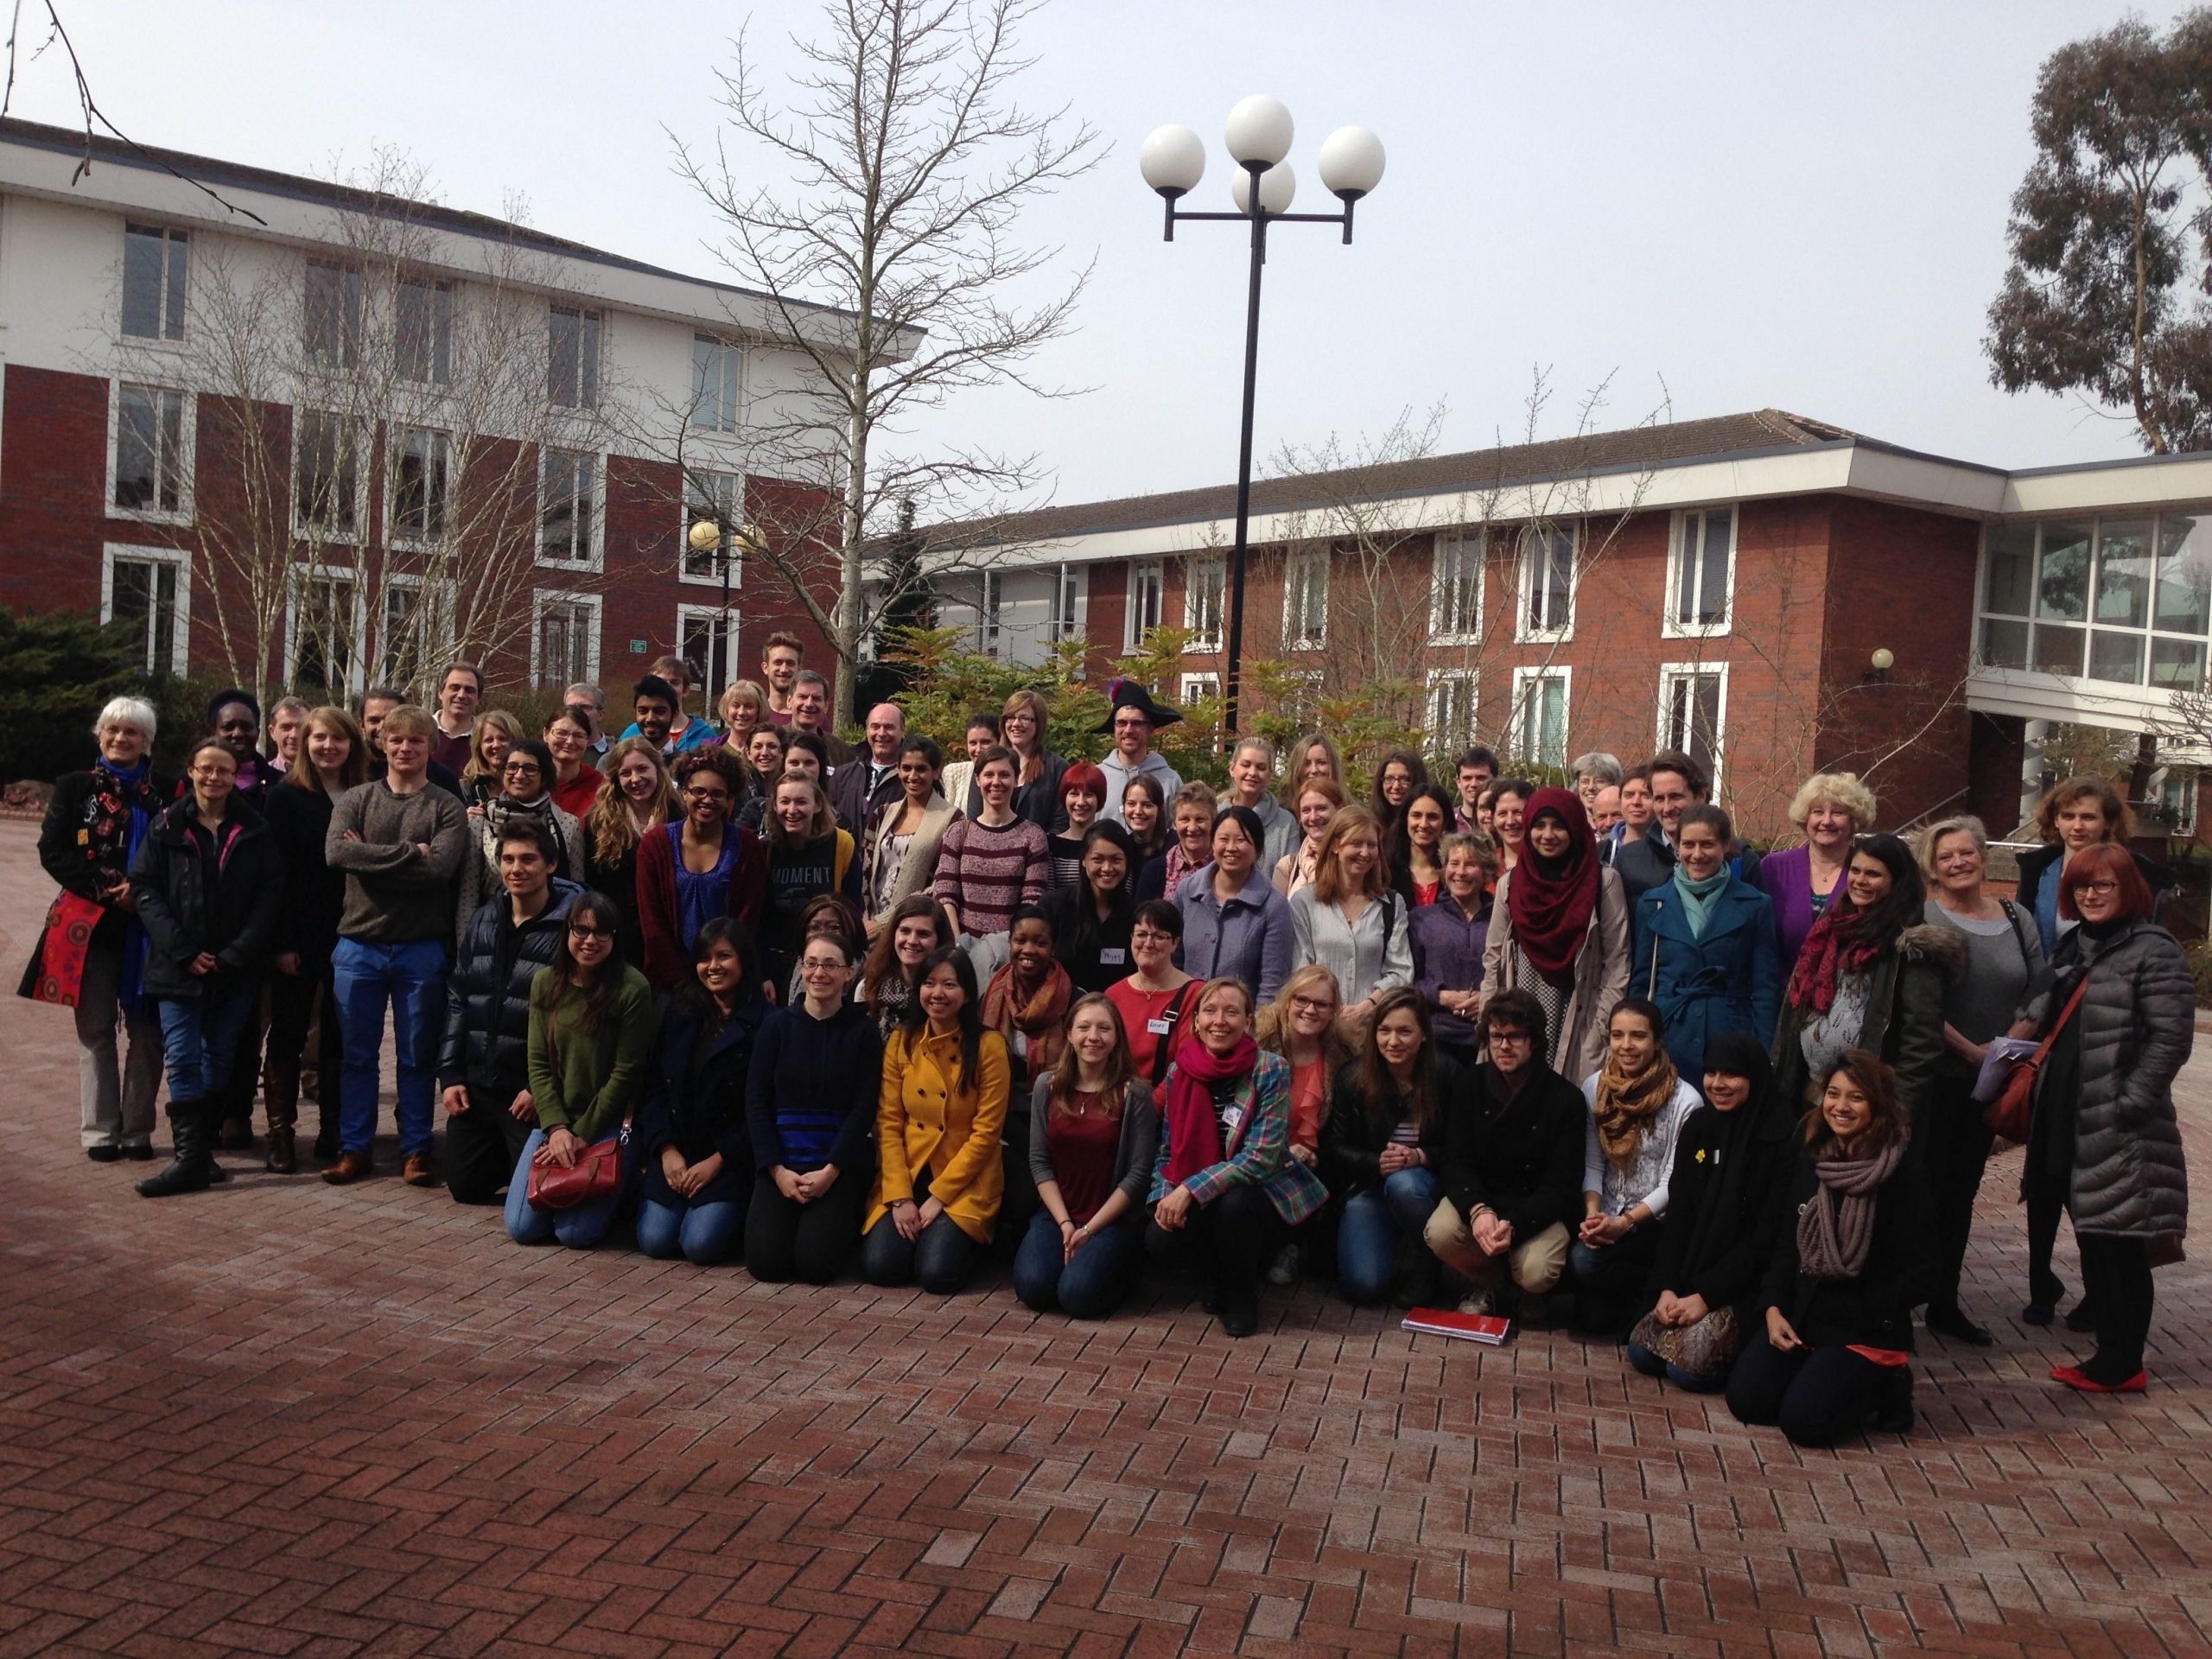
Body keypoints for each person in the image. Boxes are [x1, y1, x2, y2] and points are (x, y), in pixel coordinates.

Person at [2019, 845, 2191, 1393]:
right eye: (2081, 886)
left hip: (2120, 1122)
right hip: (2067, 1112)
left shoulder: (2153, 949)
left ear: (2129, 890)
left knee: (2120, 1246)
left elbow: (2170, 1040)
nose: (2090, 895)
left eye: (2103, 886)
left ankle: (2123, 1363)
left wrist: (2128, 1103)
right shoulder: (2077, 944)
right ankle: (2111, 1357)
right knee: (2095, 1238)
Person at [1726, 1050, 1929, 1444]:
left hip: (1865, 1326)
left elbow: (1924, 1273)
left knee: (1804, 1423)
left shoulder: (1902, 1174)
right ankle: (1819, 1374)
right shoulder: (1812, 1158)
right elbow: (1787, 1245)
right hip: (1805, 1314)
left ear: (1878, 1104)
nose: (1841, 1107)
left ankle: (1889, 1382)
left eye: (1856, 1097)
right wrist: (1773, 1308)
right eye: (1833, 1094)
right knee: (1747, 1400)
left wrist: (1862, 1312)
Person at [129, 739, 282, 1198]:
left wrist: (235, 954)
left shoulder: (254, 828)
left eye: (224, 771)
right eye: (206, 769)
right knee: (182, 1055)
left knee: (219, 1054)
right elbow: (145, 889)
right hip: (177, 965)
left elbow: (269, 896)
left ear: (236, 776)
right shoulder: (166, 825)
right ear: (191, 771)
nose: (214, 777)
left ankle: (201, 1154)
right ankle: (190, 1159)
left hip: (235, 967)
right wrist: (182, 950)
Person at [21, 696, 170, 1164]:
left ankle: (137, 1130)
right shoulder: (75, 787)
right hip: (91, 928)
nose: (121, 738)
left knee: (148, 1033)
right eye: (113, 730)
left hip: (152, 927)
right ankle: (100, 1132)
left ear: (147, 741)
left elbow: (183, 852)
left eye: (132, 732)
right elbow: (53, 850)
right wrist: (108, 889)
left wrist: (142, 892)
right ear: (100, 735)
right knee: (95, 1029)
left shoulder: (169, 790)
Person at [325, 704, 468, 1185]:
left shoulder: (445, 805)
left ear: (431, 747)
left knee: (417, 1056)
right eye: (396, 740)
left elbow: (439, 870)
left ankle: (416, 1149)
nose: (405, 748)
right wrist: (410, 853)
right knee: (357, 1056)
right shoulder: (357, 798)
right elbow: (336, 853)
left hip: (420, 948)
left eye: (416, 741)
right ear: (382, 745)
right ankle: (354, 1147)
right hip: (358, 945)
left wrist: (368, 859)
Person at [1918, 816, 2045, 1345]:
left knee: (1961, 1191)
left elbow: (2041, 988)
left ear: (1982, 856)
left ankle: (1945, 1303)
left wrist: (2004, 1045)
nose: (1959, 862)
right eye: (1946, 856)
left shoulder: (2017, 917)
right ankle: (1901, 1298)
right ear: (1933, 866)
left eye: (1966, 852)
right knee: (1921, 1189)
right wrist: (1971, 1051)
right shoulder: (1923, 918)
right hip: (1934, 1077)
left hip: (1992, 1080)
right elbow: (1916, 1000)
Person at [1146, 976, 1327, 1337]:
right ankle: (1215, 1274)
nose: (1219, 1021)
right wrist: (1163, 1197)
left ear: (1248, 1021)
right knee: (1158, 1240)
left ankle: (1242, 1293)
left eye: (1231, 1012)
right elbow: (1168, 1150)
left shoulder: (1270, 1068)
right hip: (1199, 1184)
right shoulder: (1179, 1071)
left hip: (1260, 1190)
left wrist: (1189, 1190)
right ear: (1196, 1021)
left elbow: (1259, 1158)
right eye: (1210, 1011)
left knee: (1235, 1204)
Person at [1626, 1032, 1795, 1393]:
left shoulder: (1778, 1138)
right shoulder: (1700, 1128)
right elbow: (1679, 1217)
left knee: (1687, 1372)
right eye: (1711, 1072)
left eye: (1731, 1074)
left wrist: (1707, 1296)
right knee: (1642, 1354)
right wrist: (1668, 1287)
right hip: (1690, 1273)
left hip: (1742, 1284)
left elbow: (1765, 1239)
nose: (1718, 1084)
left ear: (1754, 1077)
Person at [1769, 834, 1953, 1141]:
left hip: (1868, 1105)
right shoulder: (1829, 927)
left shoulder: (1911, 945)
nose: (1860, 881)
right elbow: (1794, 1005)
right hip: (1811, 1091)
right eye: (1855, 871)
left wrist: (1898, 1109)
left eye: (1873, 874)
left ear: (1897, 881)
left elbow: (1922, 1041)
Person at [439, 820, 580, 1206]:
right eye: (508, 859)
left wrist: (541, 1089)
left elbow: (577, 1019)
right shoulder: (484, 918)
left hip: (530, 1092)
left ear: (551, 864)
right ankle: (508, 1158)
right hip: (481, 1084)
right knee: (465, 1188)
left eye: (528, 859)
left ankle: (524, 1157)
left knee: (539, 1199)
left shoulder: (573, 926)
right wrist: (450, 1075)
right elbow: (459, 996)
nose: (516, 869)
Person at [505, 890, 654, 1249]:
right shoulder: (546, 982)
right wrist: (557, 1128)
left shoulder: (632, 988)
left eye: (601, 932)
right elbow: (538, 1064)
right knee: (522, 1228)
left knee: (576, 1234)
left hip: (608, 1125)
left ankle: (626, 1189)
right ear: (568, 932)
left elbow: (625, 1072)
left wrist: (583, 1134)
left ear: (615, 937)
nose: (590, 941)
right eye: (581, 930)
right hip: (556, 1122)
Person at [1423, 990, 1586, 1318]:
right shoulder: (1470, 1083)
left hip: (1536, 1208)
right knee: (1440, 1233)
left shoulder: (1565, 1099)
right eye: (1496, 1036)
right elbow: (1456, 1158)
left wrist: (1516, 1224)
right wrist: (1477, 1209)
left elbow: (1563, 1185)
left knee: (1537, 1272)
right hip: (1484, 1196)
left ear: (1534, 1041)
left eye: (1515, 1037)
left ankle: (1527, 1289)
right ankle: (1492, 1284)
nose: (1504, 1046)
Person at [863, 946, 1011, 1293]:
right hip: (911, 1169)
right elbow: (888, 1122)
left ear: (967, 994)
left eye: (950, 985)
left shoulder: (989, 1046)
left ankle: (970, 1245)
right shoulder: (903, 1039)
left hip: (964, 1178)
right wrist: (900, 1196)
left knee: (936, 1274)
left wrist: (939, 1198)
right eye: (929, 983)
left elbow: (986, 1134)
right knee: (882, 1266)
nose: (938, 993)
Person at [261, 705, 365, 1170]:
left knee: (339, 1036)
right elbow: (274, 875)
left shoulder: (365, 794)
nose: (328, 746)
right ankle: (280, 1134)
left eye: (338, 738)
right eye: (319, 738)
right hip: (298, 936)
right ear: (305, 743)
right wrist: (282, 942)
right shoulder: (285, 797)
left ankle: (333, 1130)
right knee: (288, 1032)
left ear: (352, 745)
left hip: (351, 931)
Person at [746, 928, 882, 1282]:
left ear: (849, 973)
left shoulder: (864, 1032)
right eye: (811, 964)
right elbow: (757, 1102)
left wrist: (830, 1171)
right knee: (765, 1264)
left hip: (834, 1166)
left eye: (830, 965)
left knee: (816, 1266)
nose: (819, 973)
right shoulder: (776, 1027)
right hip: (782, 1164)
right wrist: (777, 1171)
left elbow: (863, 1108)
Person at [635, 917, 770, 1265]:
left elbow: (764, 1108)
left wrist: (718, 1160)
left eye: (724, 956)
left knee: (700, 1244)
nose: (713, 967)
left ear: (743, 960)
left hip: (729, 1160)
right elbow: (655, 1087)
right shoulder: (680, 1012)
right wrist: (666, 1150)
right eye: (704, 958)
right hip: (677, 1152)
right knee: (655, 1240)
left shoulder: (767, 1023)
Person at [1014, 995, 1159, 1319]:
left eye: (1104, 1028)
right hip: (1057, 1214)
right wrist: (1065, 1224)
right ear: (1069, 1034)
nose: (1093, 1036)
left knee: (1077, 1296)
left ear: (1117, 1037)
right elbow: (1039, 1162)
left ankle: (1122, 1272)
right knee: (1033, 1288)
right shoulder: (1047, 1086)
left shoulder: (1134, 1093)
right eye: (1084, 1027)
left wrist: (1089, 1230)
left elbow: (1137, 1174)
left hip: (1110, 1220)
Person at [1572, 998, 1702, 1335]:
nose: (1626, 1046)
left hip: (1655, 1223)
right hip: (1608, 1213)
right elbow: (1592, 1161)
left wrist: (1625, 1223)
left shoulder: (1684, 1100)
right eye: (1618, 1035)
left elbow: (1673, 1181)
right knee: (1582, 1265)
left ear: (1657, 1041)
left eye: (1638, 1036)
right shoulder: (1596, 1087)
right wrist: (1594, 1217)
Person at [1483, 787, 1630, 1085]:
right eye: (1539, 825)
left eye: (1559, 826)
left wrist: (1600, 1029)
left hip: (1580, 1017)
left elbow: (1617, 962)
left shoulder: (1603, 882)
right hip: (1518, 1018)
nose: (1548, 835)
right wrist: (1490, 1025)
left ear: (1574, 828)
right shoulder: (1511, 884)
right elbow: (1493, 959)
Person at [1322, 987, 1454, 1306]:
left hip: (1424, 1185)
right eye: (1384, 1031)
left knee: (1403, 1184)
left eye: (1405, 1031)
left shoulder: (1446, 1073)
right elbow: (1335, 1146)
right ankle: (1393, 1245)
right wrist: (1376, 1162)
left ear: (1424, 1034)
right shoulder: (1352, 1077)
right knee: (1363, 1285)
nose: (1393, 1041)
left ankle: (1426, 1263)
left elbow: (1461, 1146)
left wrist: (1420, 1156)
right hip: (1369, 1186)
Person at [1633, 804, 1779, 1088]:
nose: (1697, 854)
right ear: (1677, 846)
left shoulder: (1755, 905)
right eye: (1688, 844)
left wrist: (1759, 1049)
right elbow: (1642, 982)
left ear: (1725, 846)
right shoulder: (1654, 902)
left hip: (1731, 1035)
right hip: (1669, 1032)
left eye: (1707, 844)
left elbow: (1766, 987)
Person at [637, 748, 767, 994]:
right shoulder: (656, 845)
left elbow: (748, 916)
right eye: (699, 791)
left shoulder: (747, 845)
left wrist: (720, 971)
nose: (707, 800)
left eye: (718, 794)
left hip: (729, 978)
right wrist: (681, 982)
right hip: (669, 983)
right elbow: (651, 922)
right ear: (684, 792)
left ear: (729, 800)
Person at [2016, 777, 2171, 958]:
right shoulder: (2037, 874)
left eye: (2088, 817)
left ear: (2109, 822)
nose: (2077, 826)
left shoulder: (2139, 877)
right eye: (2068, 816)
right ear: (2056, 820)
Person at [1289, 805, 1413, 1030]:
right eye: (1356, 844)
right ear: (1336, 845)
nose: (1365, 853)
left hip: (1372, 1028)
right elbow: (1300, 969)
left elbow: (1400, 970)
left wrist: (1368, 1006)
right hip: (1320, 1028)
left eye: (1371, 845)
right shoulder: (1305, 902)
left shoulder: (1392, 904)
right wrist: (1329, 1010)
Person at [453, 737, 585, 944]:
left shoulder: (567, 825)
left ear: (544, 776)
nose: (520, 775)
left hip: (552, 936)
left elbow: (577, 892)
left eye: (530, 769)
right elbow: (468, 897)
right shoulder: (480, 826)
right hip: (492, 934)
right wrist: (467, 948)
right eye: (512, 767)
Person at [932, 745, 1049, 977]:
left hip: (1010, 953)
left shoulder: (1033, 836)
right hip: (963, 950)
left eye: (1004, 774)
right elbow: (945, 893)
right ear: (978, 780)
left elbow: (1032, 900)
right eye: (989, 775)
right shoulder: (959, 833)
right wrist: (958, 945)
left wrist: (1009, 946)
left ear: (1016, 779)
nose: (996, 782)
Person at [1757, 772, 1878, 974]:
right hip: (1779, 988)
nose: (1827, 821)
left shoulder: (1869, 872)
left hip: (1847, 988)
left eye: (1838, 813)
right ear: (1806, 818)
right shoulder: (1773, 868)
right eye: (1818, 812)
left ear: (1854, 821)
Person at [1177, 804, 1294, 1006]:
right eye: (1223, 839)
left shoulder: (1274, 906)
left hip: (1240, 1020)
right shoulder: (1187, 892)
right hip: (1187, 1014)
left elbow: (1272, 984)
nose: (1231, 847)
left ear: (1257, 848)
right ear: (1213, 843)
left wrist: (1256, 1023)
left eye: (1241, 840)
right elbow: (1175, 960)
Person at [759, 775, 861, 994]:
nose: (792, 810)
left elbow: (852, 911)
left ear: (818, 805)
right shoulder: (766, 850)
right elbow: (761, 918)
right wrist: (762, 973)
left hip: (825, 967)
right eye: (785, 801)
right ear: (774, 806)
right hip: (777, 965)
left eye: (801, 802)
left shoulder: (841, 844)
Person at [583, 737, 678, 969]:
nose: (635, 779)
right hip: (617, 936)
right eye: (626, 773)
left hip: (669, 932)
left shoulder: (678, 815)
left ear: (657, 769)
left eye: (642, 769)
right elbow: (592, 882)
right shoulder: (599, 822)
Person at [1411, 832, 1493, 1070]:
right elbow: (1409, 979)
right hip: (1436, 1039)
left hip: (1489, 1037)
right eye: (1454, 863)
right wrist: (1441, 996)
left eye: (1471, 865)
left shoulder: (1502, 920)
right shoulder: (1421, 919)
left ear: (1486, 872)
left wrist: (1489, 997)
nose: (1461, 872)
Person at [864, 734, 954, 938]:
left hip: (913, 927)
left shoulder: (952, 819)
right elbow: (865, 869)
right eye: (906, 768)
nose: (913, 776)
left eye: (921, 769)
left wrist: (885, 922)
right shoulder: (882, 814)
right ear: (898, 769)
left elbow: (940, 883)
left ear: (936, 771)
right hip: (868, 925)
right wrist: (866, 919)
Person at [1107, 899, 1201, 1088]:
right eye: (1141, 934)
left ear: (1175, 943)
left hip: (1167, 1099)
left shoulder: (1196, 995)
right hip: (1115, 1097)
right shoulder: (1113, 994)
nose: (1148, 944)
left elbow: (1187, 1066)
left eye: (1159, 936)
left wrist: (1149, 1103)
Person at [1043, 823, 1138, 993]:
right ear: (1084, 860)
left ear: (1127, 863)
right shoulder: (1054, 906)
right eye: (1098, 859)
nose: (1107, 868)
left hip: (1116, 1006)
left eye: (1116, 860)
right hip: (1063, 1004)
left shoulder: (1136, 914)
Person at [1613, 751, 1706, 905]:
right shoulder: (1627, 860)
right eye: (1659, 799)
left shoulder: (1735, 857)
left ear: (1701, 796)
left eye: (1676, 797)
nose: (1667, 808)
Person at [1096, 677, 1183, 825]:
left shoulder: (1171, 781)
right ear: (1114, 728)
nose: (1128, 730)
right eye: (1122, 723)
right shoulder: (1098, 778)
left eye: (1136, 723)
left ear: (1150, 730)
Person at [861, 894, 948, 1035]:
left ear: (939, 940)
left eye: (923, 934)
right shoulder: (870, 986)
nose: (912, 941)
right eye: (905, 931)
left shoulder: (947, 995)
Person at [360, 687, 465, 798]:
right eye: (374, 721)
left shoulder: (440, 777)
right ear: (362, 726)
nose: (381, 727)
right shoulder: (353, 770)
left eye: (390, 719)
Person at [1223, 737, 1299, 873]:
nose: (1252, 773)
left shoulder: (1286, 823)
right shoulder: (1215, 816)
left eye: (1261, 768)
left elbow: (1291, 875)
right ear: (1232, 769)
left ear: (1270, 774)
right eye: (1246, 765)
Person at [828, 702, 906, 834]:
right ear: (867, 730)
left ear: (902, 731)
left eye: (889, 727)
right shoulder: (842, 775)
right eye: (875, 727)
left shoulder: (909, 779)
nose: (881, 733)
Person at [1137, 781, 1218, 903]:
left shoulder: (1224, 867)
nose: (1192, 828)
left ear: (1214, 821)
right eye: (1184, 819)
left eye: (1200, 819)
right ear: (1174, 822)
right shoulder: (1154, 871)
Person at [205, 689, 286, 802]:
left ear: (258, 733)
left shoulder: (282, 785)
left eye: (246, 727)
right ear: (212, 733)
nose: (237, 733)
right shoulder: (192, 782)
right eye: (228, 727)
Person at [1272, 778, 1345, 899]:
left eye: (1321, 808)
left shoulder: (1354, 860)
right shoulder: (1288, 867)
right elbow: (1276, 909)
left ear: (1339, 809)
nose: (1313, 817)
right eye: (1306, 811)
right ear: (1299, 817)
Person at [1047, 761, 1109, 892]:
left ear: (1099, 799)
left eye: (1088, 795)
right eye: (1074, 794)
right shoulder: (1051, 845)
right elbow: (1048, 897)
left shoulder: (1111, 845)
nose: (1080, 802)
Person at [1394, 785, 1452, 907]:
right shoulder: (1388, 872)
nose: (1424, 824)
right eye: (1416, 815)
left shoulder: (1454, 872)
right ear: (1406, 819)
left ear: (1445, 822)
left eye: (1432, 817)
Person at [543, 708, 603, 820]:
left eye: (578, 736)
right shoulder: (531, 779)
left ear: (588, 740)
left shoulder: (600, 786)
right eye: (561, 733)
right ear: (546, 734)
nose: (570, 741)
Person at [461, 710, 526, 810]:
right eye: (489, 740)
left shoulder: (529, 783)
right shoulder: (466, 789)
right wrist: (464, 817)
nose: (496, 745)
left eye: (502, 739)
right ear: (479, 746)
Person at [786, 671, 854, 766]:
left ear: (826, 706)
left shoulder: (842, 752)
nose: (809, 704)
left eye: (816, 698)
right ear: (789, 701)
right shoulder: (776, 742)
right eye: (802, 697)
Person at [939, 711, 1000, 816]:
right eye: (973, 743)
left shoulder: (1008, 776)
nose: (978, 749)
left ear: (999, 742)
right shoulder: (953, 773)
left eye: (985, 742)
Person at [429, 661, 484, 776]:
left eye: (469, 690)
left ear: (478, 698)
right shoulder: (421, 731)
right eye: (455, 688)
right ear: (440, 693)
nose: (461, 695)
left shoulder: (486, 739)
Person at [1370, 747, 1426, 850]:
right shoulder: (1371, 825)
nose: (1396, 786)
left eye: (1404, 779)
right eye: (1389, 779)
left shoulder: (1424, 827)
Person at [1120, 772, 1168, 866]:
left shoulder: (1174, 846)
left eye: (1147, 805)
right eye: (1131, 804)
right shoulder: (1122, 847)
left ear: (1160, 810)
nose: (1138, 811)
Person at [1608, 766, 1654, 864]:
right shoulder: (1601, 851)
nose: (1636, 802)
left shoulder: (1670, 852)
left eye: (1646, 795)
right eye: (1629, 795)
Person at [1488, 778, 1533, 874]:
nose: (1510, 821)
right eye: (1502, 814)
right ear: (1493, 819)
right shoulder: (1486, 866)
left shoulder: (1547, 864)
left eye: (1518, 812)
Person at [1452, 745, 1499, 836]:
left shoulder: (1505, 822)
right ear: (1458, 782)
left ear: (1495, 780)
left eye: (1481, 778)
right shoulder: (1447, 822)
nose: (1473, 784)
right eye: (1467, 778)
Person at [760, 631, 804, 724]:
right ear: (765, 668)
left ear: (799, 669)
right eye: (778, 663)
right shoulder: (755, 715)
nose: (784, 670)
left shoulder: (812, 717)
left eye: (790, 663)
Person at [1569, 752, 1623, 823]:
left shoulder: (1625, 823)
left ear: (1614, 784)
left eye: (1599, 781)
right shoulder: (1569, 823)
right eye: (1585, 781)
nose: (1591, 787)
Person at [565, 682, 609, 760]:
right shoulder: (554, 752)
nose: (577, 712)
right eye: (571, 708)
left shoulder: (616, 753)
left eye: (584, 707)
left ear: (600, 715)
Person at [717, 679, 766, 749]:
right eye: (736, 706)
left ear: (759, 710)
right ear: (726, 709)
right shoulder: (711, 750)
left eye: (748, 706)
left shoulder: (768, 751)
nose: (741, 712)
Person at [265, 696, 309, 772]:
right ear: (272, 732)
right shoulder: (261, 775)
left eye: (301, 727)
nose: (294, 735)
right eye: (286, 727)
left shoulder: (326, 776)